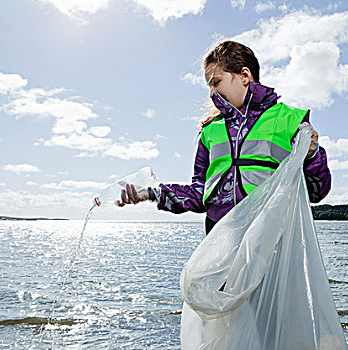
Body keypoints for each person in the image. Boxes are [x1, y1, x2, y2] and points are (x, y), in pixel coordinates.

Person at [117, 40, 331, 234]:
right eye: (209, 85)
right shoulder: (211, 131)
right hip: (220, 240)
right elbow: (200, 192)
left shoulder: (290, 119)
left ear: (244, 76)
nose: (211, 93)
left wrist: (312, 157)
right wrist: (150, 193)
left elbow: (316, 191)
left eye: (216, 82)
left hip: (271, 241)